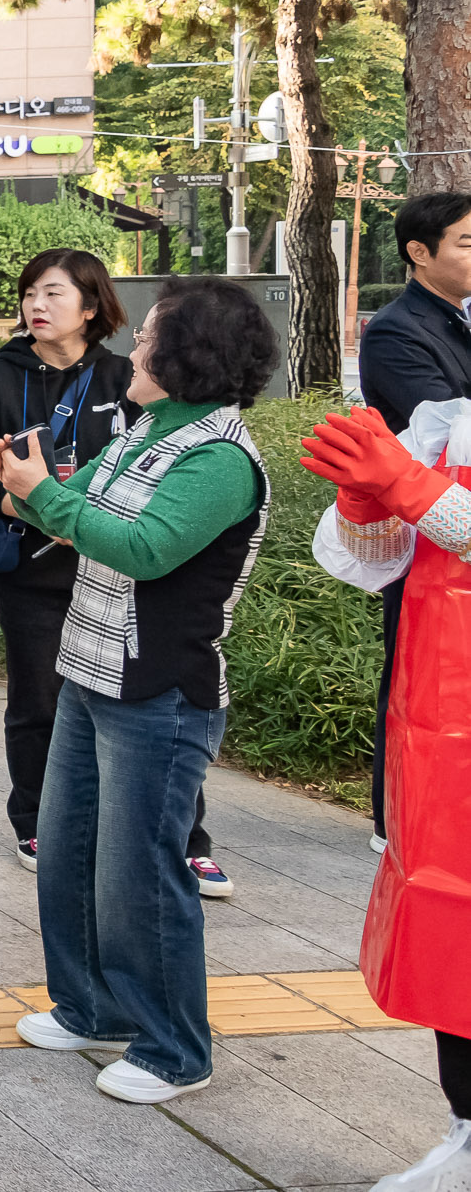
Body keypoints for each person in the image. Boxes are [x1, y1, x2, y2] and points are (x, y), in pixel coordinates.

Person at [0, 276, 273, 1105]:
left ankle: (175, 1048)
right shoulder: (146, 428)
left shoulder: (219, 455)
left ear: (189, 356)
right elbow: (72, 511)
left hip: (161, 691)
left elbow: (144, 547)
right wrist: (36, 485)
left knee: (140, 873)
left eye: (151, 337)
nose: (135, 349)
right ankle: (91, 1006)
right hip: (88, 669)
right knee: (68, 852)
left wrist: (40, 493)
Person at [0, 252, 229, 892]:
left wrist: (71, 502)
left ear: (93, 306)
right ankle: (37, 820)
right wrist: (24, 500)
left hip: (119, 567)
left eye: (52, 293)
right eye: (28, 294)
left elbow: (154, 464)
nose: (35, 306)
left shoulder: (126, 380)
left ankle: (188, 840)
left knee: (151, 706)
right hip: (31, 570)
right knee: (39, 701)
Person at [304, 401, 471, 1191]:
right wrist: (364, 500)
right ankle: (466, 1129)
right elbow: (373, 559)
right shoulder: (449, 422)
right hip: (443, 730)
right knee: (453, 937)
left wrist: (404, 481)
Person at [356, 191, 471, 846]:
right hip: (429, 530)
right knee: (415, 671)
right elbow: (451, 430)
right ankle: (394, 817)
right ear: (418, 252)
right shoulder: (400, 330)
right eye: (466, 242)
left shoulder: (459, 317)